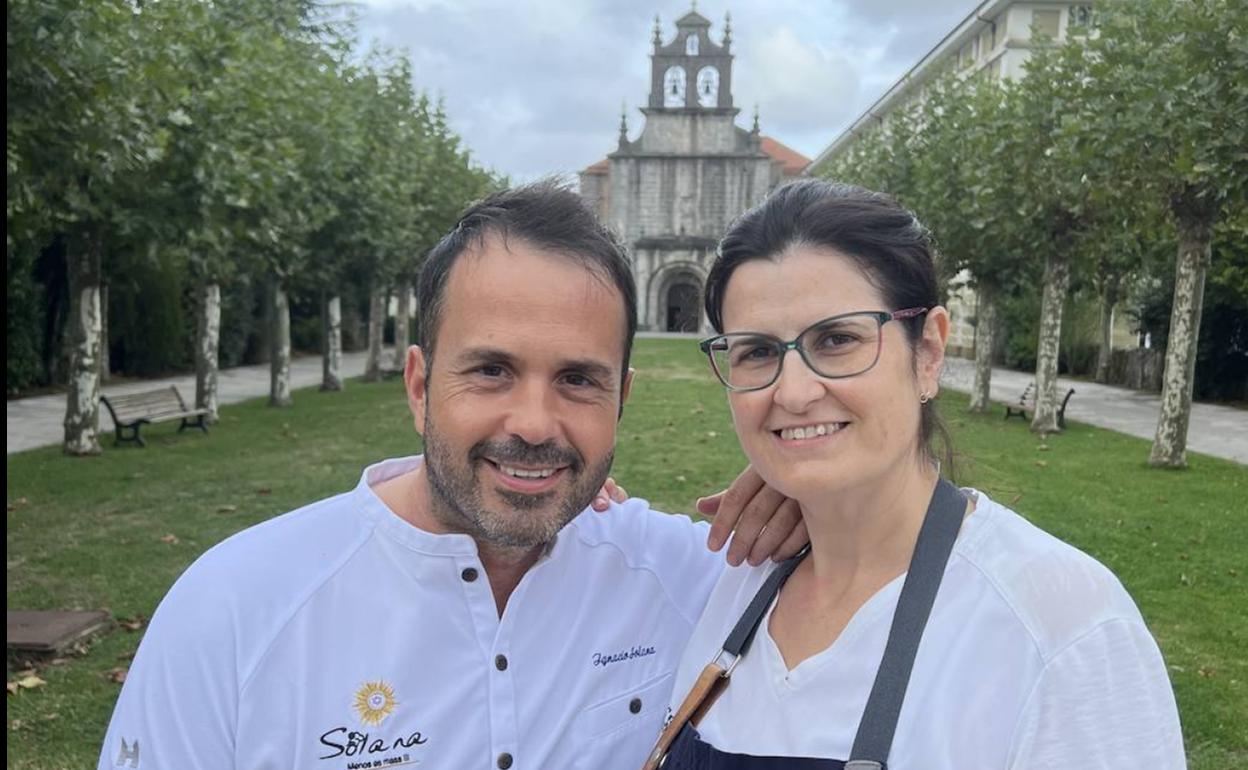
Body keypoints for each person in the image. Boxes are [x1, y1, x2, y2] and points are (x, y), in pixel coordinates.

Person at [96, 182, 807, 770]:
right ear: (418, 385)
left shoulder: (690, 576)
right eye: (491, 370)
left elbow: (889, 592)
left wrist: (820, 498)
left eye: (577, 379)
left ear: (620, 399)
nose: (534, 423)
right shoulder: (233, 610)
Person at [653, 180, 1186, 769]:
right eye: (756, 351)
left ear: (928, 352)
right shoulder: (741, 584)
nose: (795, 392)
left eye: (837, 339)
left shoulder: (1061, 629)